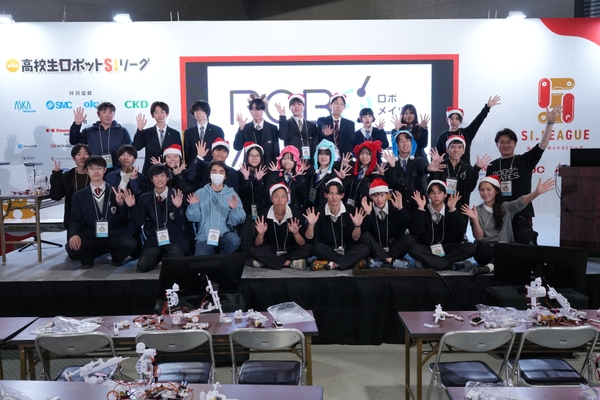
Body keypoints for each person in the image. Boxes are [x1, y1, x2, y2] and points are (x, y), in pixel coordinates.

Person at [486, 106, 562, 244]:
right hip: (500, 212)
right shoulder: (492, 165)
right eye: (502, 142)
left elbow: (543, 144)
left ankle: (531, 240)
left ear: (515, 144)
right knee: (500, 247)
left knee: (522, 247)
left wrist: (550, 122)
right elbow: (488, 191)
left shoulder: (525, 160)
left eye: (509, 142)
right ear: (497, 145)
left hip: (522, 212)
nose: (505, 145)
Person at [462, 175, 555, 276]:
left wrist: (537, 192)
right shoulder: (476, 211)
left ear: (497, 191)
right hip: (487, 250)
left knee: (515, 249)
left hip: (504, 247)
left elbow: (521, 201)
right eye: (482, 190)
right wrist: (475, 219)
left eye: (488, 189)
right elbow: (479, 237)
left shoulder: (506, 207)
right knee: (481, 246)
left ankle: (489, 268)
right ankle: (496, 265)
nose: (485, 193)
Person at [66, 156, 137, 269]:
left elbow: (125, 219)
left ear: (105, 170)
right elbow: (75, 219)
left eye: (99, 168)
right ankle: (88, 259)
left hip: (113, 234)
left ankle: (116, 257)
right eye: (92, 168)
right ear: (86, 171)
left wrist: (121, 204)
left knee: (131, 244)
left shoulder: (117, 192)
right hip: (91, 235)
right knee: (71, 247)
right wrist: (74, 235)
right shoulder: (79, 196)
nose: (95, 172)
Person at [126, 164, 189, 273]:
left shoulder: (176, 195)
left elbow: (182, 222)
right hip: (155, 237)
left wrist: (178, 208)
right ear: (151, 179)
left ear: (168, 178)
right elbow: (139, 222)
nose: (159, 179)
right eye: (156, 176)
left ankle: (166, 254)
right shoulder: (145, 198)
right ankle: (159, 256)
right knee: (143, 266)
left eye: (162, 176)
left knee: (177, 266)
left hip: (175, 236)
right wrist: (132, 207)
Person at [408, 181, 475, 271]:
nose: (436, 196)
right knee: (413, 248)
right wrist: (420, 209)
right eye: (433, 193)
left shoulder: (451, 210)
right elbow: (416, 232)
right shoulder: (422, 210)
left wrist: (453, 209)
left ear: (445, 195)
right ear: (428, 195)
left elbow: (460, 232)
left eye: (440, 192)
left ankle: (429, 263)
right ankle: (451, 265)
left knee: (470, 247)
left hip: (446, 247)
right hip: (428, 248)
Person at [304, 178, 369, 270]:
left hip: (346, 248)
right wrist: (311, 225)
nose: (334, 197)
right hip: (328, 249)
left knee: (364, 248)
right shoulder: (318, 212)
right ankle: (350, 262)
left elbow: (355, 238)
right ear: (325, 195)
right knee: (317, 248)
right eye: (331, 193)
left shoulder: (350, 210)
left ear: (342, 195)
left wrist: (357, 226)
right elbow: (309, 238)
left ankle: (334, 264)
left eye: (337, 193)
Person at [428, 135, 491, 231]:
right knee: (440, 233)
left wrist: (477, 169)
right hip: (440, 207)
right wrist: (434, 170)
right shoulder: (440, 166)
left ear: (464, 151)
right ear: (447, 150)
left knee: (459, 233)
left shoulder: (468, 168)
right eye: (452, 147)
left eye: (459, 147)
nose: (456, 150)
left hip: (461, 207)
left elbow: (469, 188)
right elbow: (431, 185)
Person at [186, 161, 246, 255]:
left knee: (234, 240)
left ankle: (222, 258)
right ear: (210, 175)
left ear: (225, 176)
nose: (217, 174)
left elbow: (239, 220)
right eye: (214, 171)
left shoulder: (232, 194)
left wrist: (234, 209)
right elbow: (193, 218)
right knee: (200, 257)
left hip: (225, 235)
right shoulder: (200, 193)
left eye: (221, 172)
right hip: (205, 237)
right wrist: (193, 206)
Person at [248, 184, 313, 270]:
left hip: (290, 249)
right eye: (276, 196)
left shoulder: (295, 213)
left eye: (283, 196)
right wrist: (260, 234)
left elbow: (302, 243)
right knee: (252, 250)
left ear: (287, 199)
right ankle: (289, 263)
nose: (280, 200)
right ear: (271, 199)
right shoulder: (264, 214)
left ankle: (267, 262)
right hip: (271, 248)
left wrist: (296, 234)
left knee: (308, 249)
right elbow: (257, 244)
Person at [359, 178, 415, 268]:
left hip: (393, 246)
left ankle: (380, 260)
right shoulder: (368, 208)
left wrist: (401, 208)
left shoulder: (394, 206)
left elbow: (408, 222)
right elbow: (365, 231)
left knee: (410, 238)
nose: (379, 199)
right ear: (371, 196)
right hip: (376, 246)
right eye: (375, 196)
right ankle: (391, 261)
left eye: (382, 195)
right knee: (364, 236)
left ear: (387, 195)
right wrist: (368, 214)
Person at [384, 130, 445, 209]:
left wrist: (428, 168)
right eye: (401, 141)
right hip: (399, 206)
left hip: (418, 205)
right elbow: (392, 184)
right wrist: (392, 167)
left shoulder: (419, 160)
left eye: (407, 140)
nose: (405, 144)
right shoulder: (390, 163)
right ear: (396, 146)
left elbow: (423, 167)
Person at [435, 95, 501, 164]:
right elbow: (439, 157)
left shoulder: (466, 133)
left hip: (465, 169)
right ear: (447, 120)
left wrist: (487, 107)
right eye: (451, 118)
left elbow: (478, 121)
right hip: (447, 169)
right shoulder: (442, 137)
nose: (454, 121)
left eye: (457, 119)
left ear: (460, 120)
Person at [69, 102, 132, 171]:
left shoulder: (122, 131)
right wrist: (77, 124)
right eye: (104, 112)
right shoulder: (89, 131)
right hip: (94, 170)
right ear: (98, 114)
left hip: (117, 170)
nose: (107, 116)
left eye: (110, 112)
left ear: (114, 114)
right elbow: (73, 141)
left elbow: (129, 151)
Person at [233, 94, 287, 166]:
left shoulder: (272, 128)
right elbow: (237, 147)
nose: (256, 112)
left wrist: (282, 117)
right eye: (253, 109)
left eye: (259, 109)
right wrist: (241, 129)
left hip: (268, 167)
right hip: (250, 168)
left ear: (264, 110)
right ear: (250, 111)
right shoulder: (245, 128)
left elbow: (283, 137)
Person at [133, 101, 182, 178]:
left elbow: (179, 155)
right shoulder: (147, 133)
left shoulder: (175, 134)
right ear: (152, 115)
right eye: (156, 112)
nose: (159, 115)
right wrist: (140, 129)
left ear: (167, 114)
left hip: (169, 173)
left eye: (162, 112)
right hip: (150, 171)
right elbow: (136, 147)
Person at [50, 143, 91, 233]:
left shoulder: (96, 175)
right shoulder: (67, 176)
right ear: (73, 158)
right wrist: (56, 176)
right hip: (73, 220)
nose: (82, 157)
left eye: (85, 153)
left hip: (92, 220)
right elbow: (56, 196)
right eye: (78, 154)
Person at [237, 142, 269, 251]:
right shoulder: (239, 173)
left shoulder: (266, 173)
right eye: (251, 155)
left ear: (261, 157)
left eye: (257, 155)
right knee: (245, 241)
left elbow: (265, 196)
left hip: (261, 212)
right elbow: (240, 195)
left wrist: (259, 181)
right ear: (247, 157)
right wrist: (246, 179)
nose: (254, 158)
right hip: (245, 213)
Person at [307, 139, 347, 209]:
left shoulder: (333, 176)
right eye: (320, 154)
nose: (323, 157)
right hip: (310, 209)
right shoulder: (313, 172)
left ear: (331, 156)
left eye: (327, 154)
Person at [343, 140, 384, 208]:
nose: (364, 156)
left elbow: (379, 192)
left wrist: (381, 176)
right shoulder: (352, 168)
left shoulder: (375, 172)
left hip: (365, 206)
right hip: (348, 205)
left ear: (372, 156)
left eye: (367, 154)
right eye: (362, 153)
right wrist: (344, 167)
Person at [267, 145, 308, 212]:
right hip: (278, 210)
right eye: (284, 158)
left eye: (290, 159)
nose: (287, 161)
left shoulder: (299, 177)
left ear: (295, 161)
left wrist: (299, 178)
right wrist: (275, 174)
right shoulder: (276, 175)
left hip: (294, 211)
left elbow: (303, 197)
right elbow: (268, 193)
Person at [182, 100, 224, 165]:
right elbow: (187, 153)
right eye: (195, 110)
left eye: (201, 110)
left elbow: (221, 151)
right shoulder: (188, 132)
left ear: (207, 112)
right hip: (194, 167)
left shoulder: (217, 130)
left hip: (212, 166)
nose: (198, 113)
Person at [279, 93, 319, 160]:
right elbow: (282, 136)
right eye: (293, 104)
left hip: (308, 162)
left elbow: (315, 145)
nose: (296, 107)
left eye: (299, 104)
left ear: (304, 107)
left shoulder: (312, 126)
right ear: (290, 108)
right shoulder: (286, 123)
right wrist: (282, 116)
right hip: (292, 162)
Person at [316, 93, 355, 160]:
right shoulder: (322, 120)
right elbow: (322, 125)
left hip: (344, 159)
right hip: (326, 159)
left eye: (341, 104)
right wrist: (325, 132)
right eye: (336, 103)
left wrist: (346, 158)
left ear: (344, 107)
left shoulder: (350, 124)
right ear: (330, 105)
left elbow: (350, 142)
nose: (338, 106)